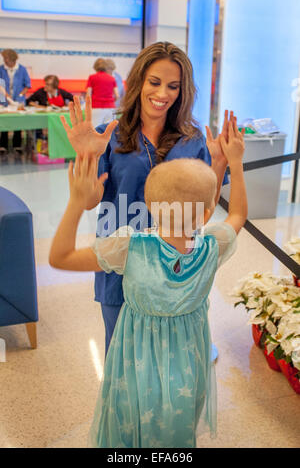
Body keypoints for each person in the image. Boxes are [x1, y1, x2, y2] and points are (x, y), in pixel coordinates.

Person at [49, 116, 247, 447]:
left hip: (134, 360)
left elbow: (60, 258)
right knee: (176, 425)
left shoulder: (131, 247)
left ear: (151, 206)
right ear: (207, 210)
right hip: (188, 364)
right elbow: (238, 214)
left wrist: (74, 203)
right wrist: (233, 164)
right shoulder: (212, 244)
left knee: (131, 421)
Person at [61, 41, 235, 358]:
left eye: (173, 86)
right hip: (122, 262)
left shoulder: (192, 139)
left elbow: (202, 213)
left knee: (173, 360)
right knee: (121, 356)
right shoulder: (109, 134)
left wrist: (221, 163)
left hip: (176, 266)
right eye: (155, 82)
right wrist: (87, 156)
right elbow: (90, 200)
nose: (163, 93)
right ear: (139, 81)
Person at [0, 49, 31, 156]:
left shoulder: (22, 69)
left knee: (18, 122)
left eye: (6, 58)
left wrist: (21, 95)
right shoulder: (1, 69)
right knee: (4, 122)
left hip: (18, 99)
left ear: (12, 59)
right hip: (4, 99)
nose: (4, 60)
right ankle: (3, 145)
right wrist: (5, 95)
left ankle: (17, 145)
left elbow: (27, 85)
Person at [86, 58, 119, 127]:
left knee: (95, 131)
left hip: (96, 108)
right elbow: (117, 96)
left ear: (95, 67)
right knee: (109, 131)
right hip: (110, 108)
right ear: (105, 67)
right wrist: (111, 101)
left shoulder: (92, 77)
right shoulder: (112, 78)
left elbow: (88, 95)